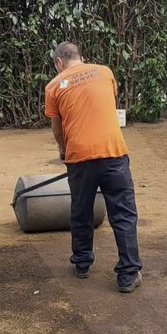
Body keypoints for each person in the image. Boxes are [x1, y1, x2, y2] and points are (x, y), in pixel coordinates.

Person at [44, 42, 143, 293]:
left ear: (59, 63)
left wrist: (64, 151)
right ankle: (128, 274)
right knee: (122, 213)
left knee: (81, 211)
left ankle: (82, 264)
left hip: (80, 159)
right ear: (81, 57)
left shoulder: (53, 86)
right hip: (113, 153)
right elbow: (103, 104)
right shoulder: (105, 72)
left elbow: (57, 129)